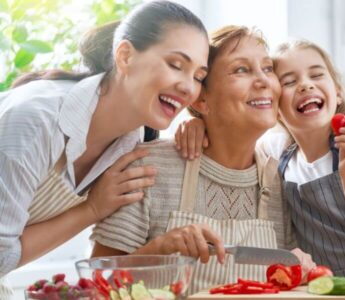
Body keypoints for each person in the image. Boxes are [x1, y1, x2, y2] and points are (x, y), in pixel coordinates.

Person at [0, 1, 209, 297]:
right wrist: (92, 209)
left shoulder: (132, 143)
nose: (189, 87)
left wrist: (202, 124)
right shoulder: (34, 120)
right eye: (176, 65)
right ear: (125, 56)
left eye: (199, 77)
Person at [91, 26, 315, 295]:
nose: (264, 81)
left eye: (267, 68)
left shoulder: (279, 179)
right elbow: (97, 283)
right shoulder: (148, 167)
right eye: (241, 70)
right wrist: (161, 249)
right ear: (201, 99)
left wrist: (301, 268)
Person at [176, 40, 345, 277]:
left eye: (316, 75)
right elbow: (231, 136)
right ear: (276, 106)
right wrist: (198, 123)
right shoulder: (276, 152)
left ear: (337, 93)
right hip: (328, 288)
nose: (306, 85)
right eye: (289, 82)